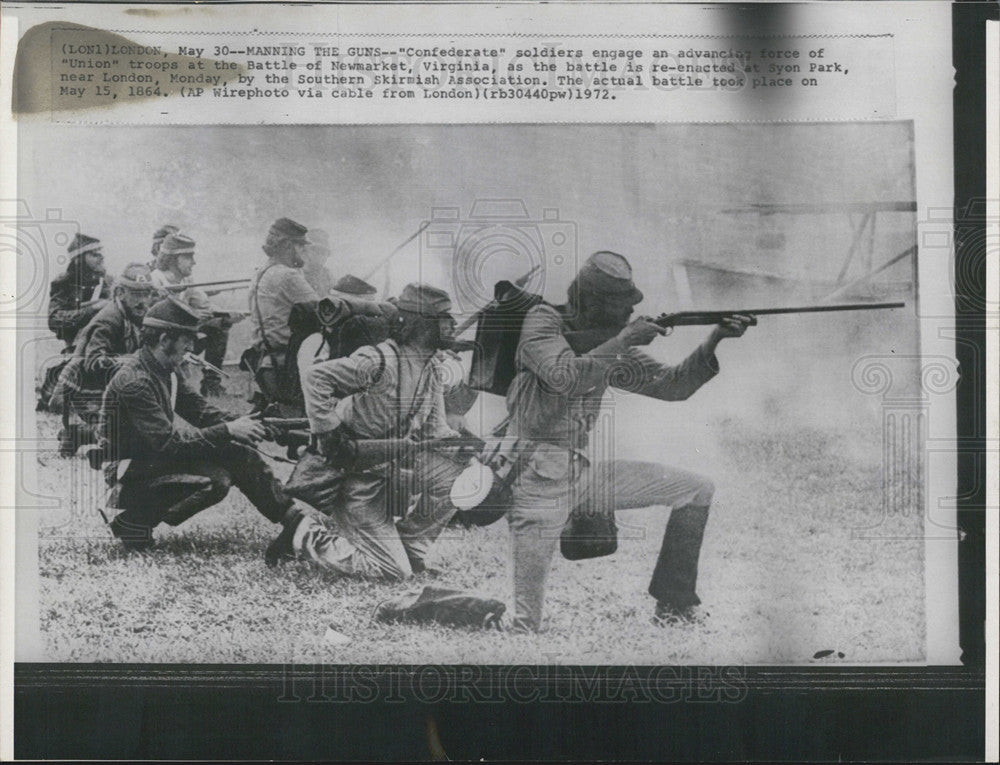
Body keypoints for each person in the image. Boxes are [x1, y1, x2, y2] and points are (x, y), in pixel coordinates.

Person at [501, 251, 751, 632]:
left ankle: (674, 603)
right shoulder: (543, 321)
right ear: (593, 303)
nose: (628, 313)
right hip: (535, 475)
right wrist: (622, 341)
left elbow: (673, 386)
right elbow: (562, 376)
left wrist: (715, 338)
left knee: (696, 489)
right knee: (523, 625)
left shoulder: (610, 342)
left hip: (579, 471)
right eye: (620, 306)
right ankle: (431, 607)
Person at [265, 283, 472, 580]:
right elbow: (315, 378)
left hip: (391, 473)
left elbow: (434, 432)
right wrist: (328, 433)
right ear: (421, 324)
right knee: (391, 572)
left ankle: (412, 550)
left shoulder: (432, 367)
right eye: (443, 317)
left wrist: (466, 449)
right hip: (355, 481)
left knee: (460, 477)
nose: (452, 324)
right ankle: (305, 535)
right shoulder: (378, 361)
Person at [98, 297, 301, 550]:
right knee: (214, 481)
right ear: (164, 340)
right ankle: (134, 522)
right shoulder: (135, 381)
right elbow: (169, 444)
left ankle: (294, 522)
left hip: (149, 459)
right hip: (126, 468)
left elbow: (202, 411)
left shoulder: (165, 370)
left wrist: (253, 423)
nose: (192, 347)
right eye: (187, 340)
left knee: (237, 454)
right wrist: (229, 430)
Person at [51, 263, 156, 456]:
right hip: (87, 390)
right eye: (136, 294)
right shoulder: (109, 319)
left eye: (146, 294)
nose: (143, 301)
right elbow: (94, 361)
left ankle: (84, 433)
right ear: (121, 293)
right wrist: (133, 362)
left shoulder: (131, 313)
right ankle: (76, 434)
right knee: (132, 434)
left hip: (108, 387)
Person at [151, 233, 236, 397]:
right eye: (188, 257)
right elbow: (156, 321)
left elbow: (204, 303)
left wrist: (226, 316)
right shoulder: (156, 280)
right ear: (173, 258)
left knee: (220, 326)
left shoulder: (187, 280)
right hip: (160, 344)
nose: (194, 262)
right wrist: (195, 316)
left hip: (180, 340)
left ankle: (211, 384)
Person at [248, 217, 318, 404]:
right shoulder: (287, 276)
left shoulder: (262, 271)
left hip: (265, 363)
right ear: (288, 246)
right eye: (301, 246)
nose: (305, 251)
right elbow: (325, 313)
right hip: (285, 368)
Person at [39, 233, 113, 411]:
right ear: (80, 258)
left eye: (100, 252)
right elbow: (55, 319)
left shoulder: (107, 282)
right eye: (94, 254)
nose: (100, 257)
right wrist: (92, 309)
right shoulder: (64, 283)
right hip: (76, 346)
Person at [301, 227, 335, 298]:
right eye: (316, 250)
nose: (321, 255)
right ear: (305, 251)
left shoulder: (327, 275)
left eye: (324, 252)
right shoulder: (296, 274)